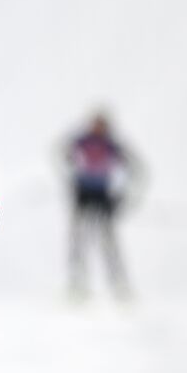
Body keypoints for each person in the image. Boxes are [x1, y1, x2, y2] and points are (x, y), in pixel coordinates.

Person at [65, 111, 139, 298]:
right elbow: (65, 154)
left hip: (102, 194)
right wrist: (72, 172)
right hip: (84, 192)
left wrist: (122, 193)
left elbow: (131, 165)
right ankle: (77, 282)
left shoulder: (110, 144)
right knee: (79, 237)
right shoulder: (83, 140)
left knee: (108, 239)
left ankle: (118, 283)